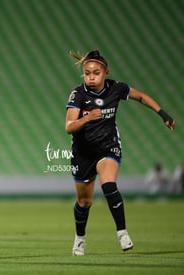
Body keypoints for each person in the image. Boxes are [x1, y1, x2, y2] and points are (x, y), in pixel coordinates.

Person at [66, 50, 176, 256]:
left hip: (108, 147)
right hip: (83, 154)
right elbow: (69, 126)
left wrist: (163, 114)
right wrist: (86, 119)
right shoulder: (78, 95)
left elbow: (141, 97)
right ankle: (80, 239)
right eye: (87, 73)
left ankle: (122, 233)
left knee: (109, 184)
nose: (91, 77)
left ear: (105, 72)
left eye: (96, 73)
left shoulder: (116, 89)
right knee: (84, 202)